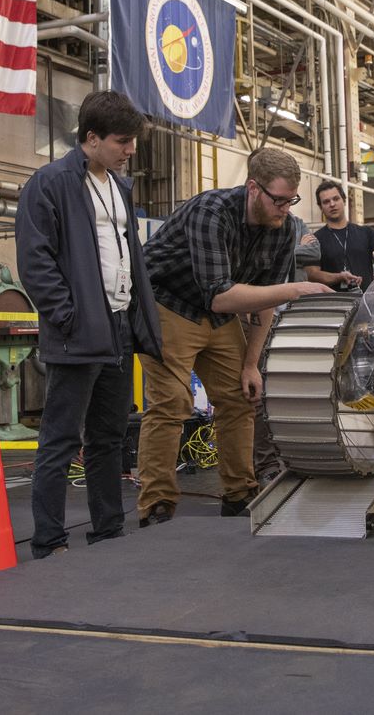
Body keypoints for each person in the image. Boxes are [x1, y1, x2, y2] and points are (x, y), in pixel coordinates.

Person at [137, 146, 334, 525]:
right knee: (172, 402)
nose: (284, 209)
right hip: (167, 303)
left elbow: (263, 304)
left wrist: (250, 366)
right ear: (253, 189)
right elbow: (221, 294)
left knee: (240, 397)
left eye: (291, 200)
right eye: (278, 200)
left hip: (217, 313)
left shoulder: (285, 228)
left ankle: (239, 490)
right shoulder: (210, 212)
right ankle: (157, 501)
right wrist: (296, 290)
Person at [16, 90, 163, 560]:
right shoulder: (50, 182)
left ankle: (107, 531)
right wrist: (68, 317)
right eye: (122, 141)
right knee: (60, 439)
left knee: (109, 436)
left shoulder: (119, 187)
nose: (131, 150)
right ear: (91, 138)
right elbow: (35, 261)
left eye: (133, 141)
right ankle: (49, 541)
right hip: (78, 331)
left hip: (118, 327)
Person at [299, 179, 374, 292]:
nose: (332, 204)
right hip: (334, 304)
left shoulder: (366, 233)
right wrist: (339, 277)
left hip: (365, 302)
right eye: (326, 202)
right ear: (320, 207)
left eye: (336, 199)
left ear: (344, 201)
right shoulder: (315, 240)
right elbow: (312, 274)